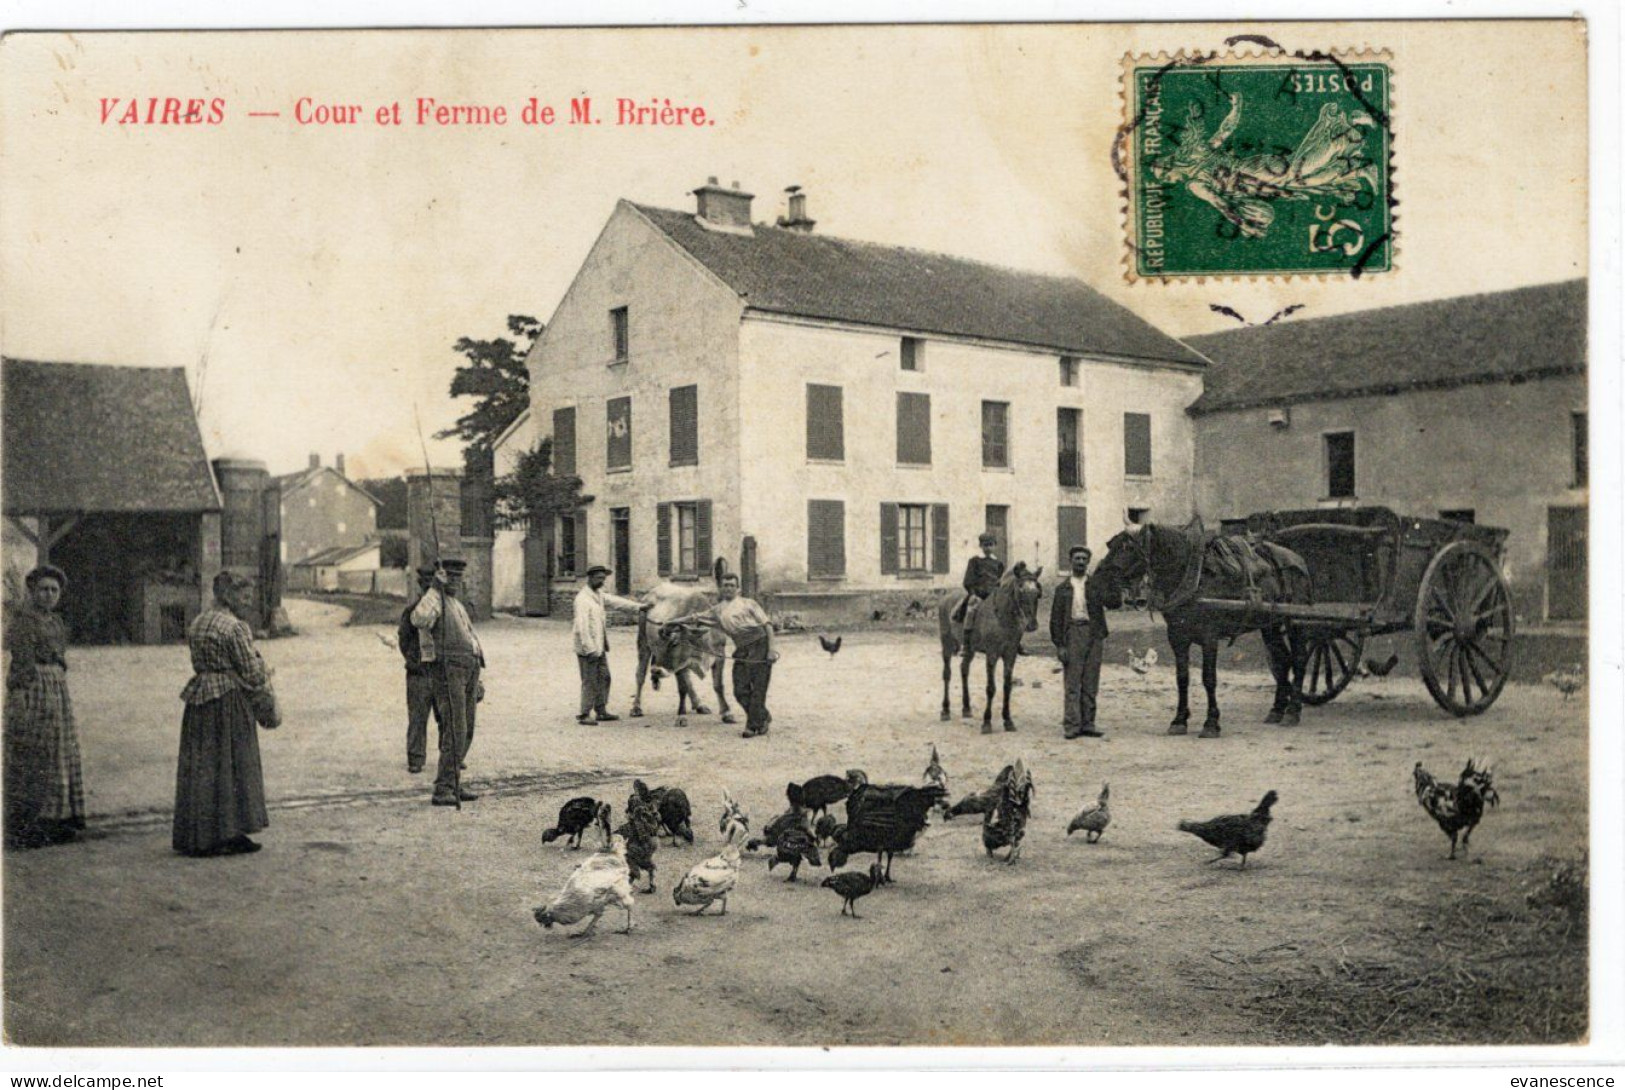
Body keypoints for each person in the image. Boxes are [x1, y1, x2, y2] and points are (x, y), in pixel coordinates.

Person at [173, 571, 274, 856]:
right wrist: (263, 673)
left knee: (205, 767)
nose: (248, 602)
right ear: (228, 596)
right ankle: (230, 832)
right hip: (228, 700)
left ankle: (201, 834)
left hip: (200, 697)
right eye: (244, 596)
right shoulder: (235, 627)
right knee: (233, 765)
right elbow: (251, 672)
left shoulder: (199, 622)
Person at [4, 565, 86, 849]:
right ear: (32, 592)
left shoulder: (56, 622)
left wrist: (58, 673)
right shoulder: (24, 622)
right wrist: (21, 698)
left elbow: (60, 655)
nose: (49, 595)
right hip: (34, 688)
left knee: (60, 749)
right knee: (37, 751)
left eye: (54, 590)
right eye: (43, 590)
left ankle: (59, 819)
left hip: (56, 688)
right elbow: (22, 664)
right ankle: (32, 824)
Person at [410, 558, 484, 807]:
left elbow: (470, 638)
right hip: (448, 672)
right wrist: (434, 588)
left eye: (458, 577)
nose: (455, 581)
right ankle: (443, 789)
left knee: (467, 730)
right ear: (441, 577)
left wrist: (478, 676)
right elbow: (418, 619)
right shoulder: (434, 601)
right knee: (456, 729)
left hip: (468, 671)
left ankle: (453, 782)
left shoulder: (456, 603)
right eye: (450, 577)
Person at [673, 573, 777, 738]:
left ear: (738, 588)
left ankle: (752, 725)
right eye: (725, 585)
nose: (728, 588)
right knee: (739, 691)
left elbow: (768, 625)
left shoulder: (748, 603)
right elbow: (696, 618)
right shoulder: (717, 610)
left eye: (731, 585)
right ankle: (763, 716)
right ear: (721, 589)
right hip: (741, 649)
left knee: (758, 689)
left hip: (760, 645)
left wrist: (771, 649)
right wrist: (673, 622)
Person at [572, 564, 651, 725]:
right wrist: (590, 649)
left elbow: (616, 602)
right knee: (589, 680)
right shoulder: (583, 599)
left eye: (603, 578)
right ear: (590, 578)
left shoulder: (598, 595)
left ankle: (601, 710)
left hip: (599, 646)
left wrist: (640, 607)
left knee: (605, 677)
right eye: (599, 578)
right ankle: (584, 713)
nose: (602, 581)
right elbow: (582, 627)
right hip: (589, 648)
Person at [1050, 544, 1109, 739]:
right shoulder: (1063, 589)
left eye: (1084, 559)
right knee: (1073, 682)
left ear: (1088, 562)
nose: (1081, 562)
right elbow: (1055, 620)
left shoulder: (1095, 585)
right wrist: (1060, 645)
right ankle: (1072, 725)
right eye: (1077, 559)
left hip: (1094, 633)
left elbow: (1113, 601)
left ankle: (1088, 724)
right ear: (1071, 561)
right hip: (1073, 633)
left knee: (1091, 681)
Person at [399, 565, 443, 774]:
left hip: (440, 671)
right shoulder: (411, 612)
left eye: (431, 585)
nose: (427, 589)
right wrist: (415, 660)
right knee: (417, 718)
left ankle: (450, 756)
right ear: (420, 586)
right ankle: (416, 758)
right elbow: (404, 640)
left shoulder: (444, 611)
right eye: (424, 584)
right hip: (419, 673)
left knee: (447, 716)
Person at [952, 531, 1006, 638]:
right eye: (985, 545)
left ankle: (1014, 643)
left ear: (995, 546)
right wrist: (973, 594)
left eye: (991, 545)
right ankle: (967, 643)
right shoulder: (975, 561)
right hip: (979, 594)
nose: (988, 548)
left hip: (994, 596)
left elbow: (1000, 580)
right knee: (971, 611)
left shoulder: (998, 563)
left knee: (1008, 611)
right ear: (981, 546)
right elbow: (968, 581)